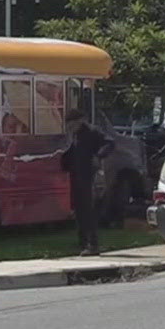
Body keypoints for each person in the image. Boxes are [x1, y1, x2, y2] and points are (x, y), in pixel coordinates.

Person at [59, 109, 107, 255]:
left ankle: (93, 244)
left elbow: (109, 143)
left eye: (72, 124)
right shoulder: (75, 135)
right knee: (79, 210)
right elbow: (73, 152)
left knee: (87, 210)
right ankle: (82, 243)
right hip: (76, 175)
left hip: (88, 175)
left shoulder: (93, 132)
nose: (69, 127)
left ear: (80, 120)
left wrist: (98, 156)